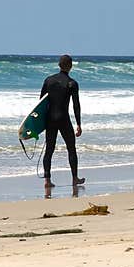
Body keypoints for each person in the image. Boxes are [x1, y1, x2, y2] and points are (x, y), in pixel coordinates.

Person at [41, 54, 85, 188]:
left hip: (50, 119)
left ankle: (47, 180)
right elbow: (76, 105)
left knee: (49, 149)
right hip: (63, 119)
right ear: (70, 66)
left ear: (59, 65)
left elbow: (41, 103)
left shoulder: (48, 81)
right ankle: (74, 178)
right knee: (71, 149)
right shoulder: (72, 83)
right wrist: (78, 124)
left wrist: (40, 123)